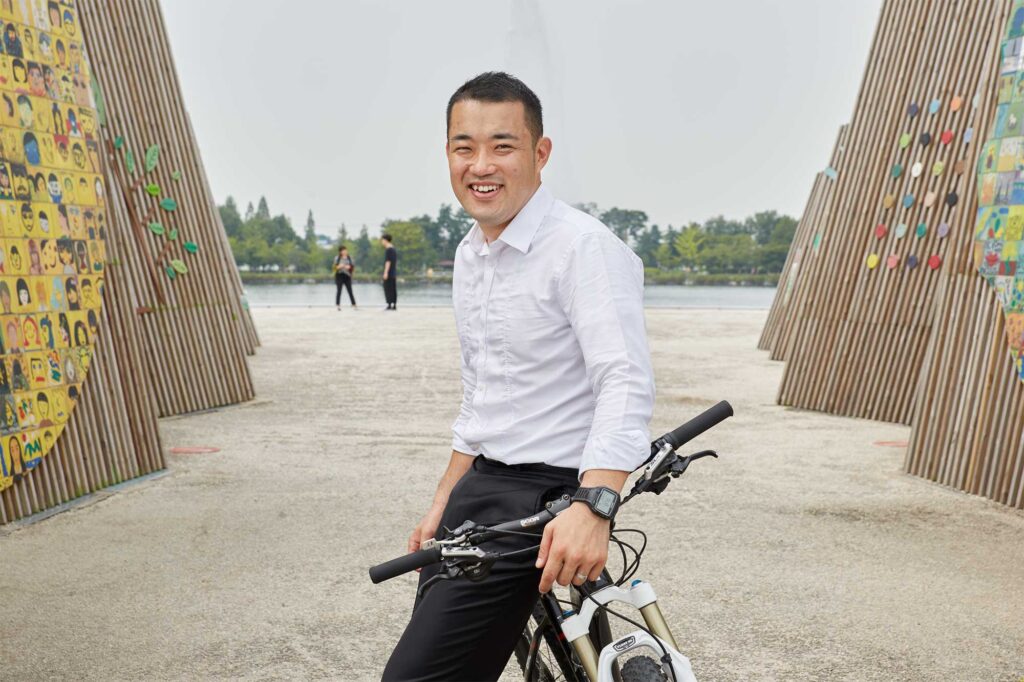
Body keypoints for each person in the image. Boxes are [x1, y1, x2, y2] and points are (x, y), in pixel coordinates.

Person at [382, 72, 654, 681]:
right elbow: (482, 394)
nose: (482, 164)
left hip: (553, 493)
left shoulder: (583, 248)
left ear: (540, 153)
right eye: (464, 147)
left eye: (503, 145)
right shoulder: (470, 252)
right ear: (448, 154)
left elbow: (625, 380)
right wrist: (443, 499)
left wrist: (596, 504)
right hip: (481, 487)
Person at [332, 245, 356, 309]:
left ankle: (353, 304)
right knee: (339, 290)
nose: (345, 252)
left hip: (347, 276)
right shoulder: (337, 258)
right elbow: (334, 268)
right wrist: (339, 266)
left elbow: (353, 267)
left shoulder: (350, 258)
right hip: (339, 275)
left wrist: (349, 267)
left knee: (350, 290)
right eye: (343, 250)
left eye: (346, 250)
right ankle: (338, 305)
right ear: (340, 252)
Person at [381, 233, 397, 310]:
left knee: (388, 288)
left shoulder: (388, 250)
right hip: (393, 272)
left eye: (382, 240)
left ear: (386, 240)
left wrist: (385, 272)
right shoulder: (393, 249)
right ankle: (394, 304)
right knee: (393, 288)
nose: (382, 242)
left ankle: (389, 304)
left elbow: (388, 262)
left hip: (389, 272)